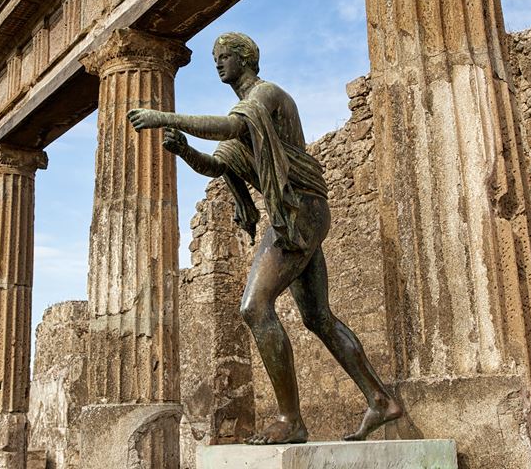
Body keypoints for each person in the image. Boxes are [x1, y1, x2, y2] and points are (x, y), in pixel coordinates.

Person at [127, 32, 402, 444]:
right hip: (297, 214)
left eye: (224, 57)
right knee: (318, 318)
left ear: (245, 58)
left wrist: (166, 117)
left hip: (299, 211)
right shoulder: (245, 115)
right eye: (215, 58)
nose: (218, 63)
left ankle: (291, 419)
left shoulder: (265, 96)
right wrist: (184, 150)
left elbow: (230, 126)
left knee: (255, 307)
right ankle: (380, 400)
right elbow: (216, 165)